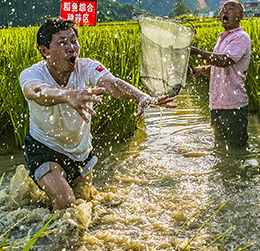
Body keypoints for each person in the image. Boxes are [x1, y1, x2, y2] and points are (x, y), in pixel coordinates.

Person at [20, 17, 176, 210]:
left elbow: (112, 84)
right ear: (44, 51)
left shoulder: (87, 67)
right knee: (66, 203)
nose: (71, 48)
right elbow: (35, 91)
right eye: (62, 43)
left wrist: (140, 96)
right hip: (45, 148)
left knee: (84, 204)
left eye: (73, 40)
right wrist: (67, 95)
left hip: (80, 151)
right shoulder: (32, 73)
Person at [189, 0, 251, 148]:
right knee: (220, 148)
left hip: (234, 106)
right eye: (223, 8)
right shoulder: (222, 38)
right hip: (217, 106)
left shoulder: (241, 37)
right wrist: (203, 69)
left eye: (231, 9)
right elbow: (219, 68)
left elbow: (225, 61)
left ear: (241, 16)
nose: (225, 11)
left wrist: (196, 52)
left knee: (237, 150)